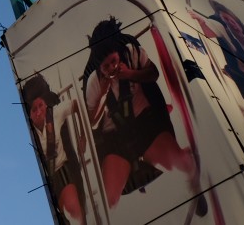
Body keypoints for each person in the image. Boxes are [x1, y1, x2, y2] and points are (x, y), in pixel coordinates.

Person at [84, 17, 200, 212]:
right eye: (106, 67)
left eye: (113, 61)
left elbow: (153, 74)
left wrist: (129, 74)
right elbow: (91, 122)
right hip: (115, 139)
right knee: (109, 199)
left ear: (117, 53)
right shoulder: (94, 82)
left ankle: (196, 190)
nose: (111, 68)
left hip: (146, 124)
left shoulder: (132, 53)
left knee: (180, 166)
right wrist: (103, 93)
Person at [193, 0, 244, 133]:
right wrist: (201, 22)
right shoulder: (228, 38)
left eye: (232, 19)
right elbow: (210, 29)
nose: (231, 23)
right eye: (226, 20)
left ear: (239, 23)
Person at [22, 74, 84, 225]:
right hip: (44, 181)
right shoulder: (27, 132)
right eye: (33, 110)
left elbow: (76, 104)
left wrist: (83, 136)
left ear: (45, 103)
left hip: (62, 169)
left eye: (40, 106)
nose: (38, 112)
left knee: (75, 211)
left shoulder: (55, 113)